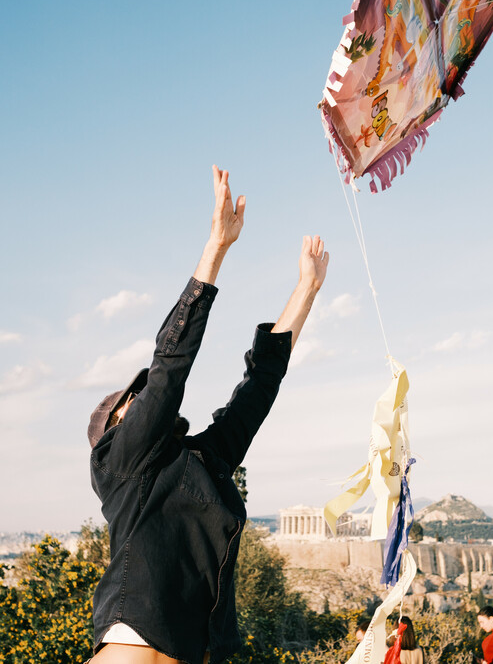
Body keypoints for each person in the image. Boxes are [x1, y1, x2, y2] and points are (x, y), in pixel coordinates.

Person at [85, 166, 329, 664]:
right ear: (115, 430)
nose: (142, 399)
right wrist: (216, 247)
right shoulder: (121, 463)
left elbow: (258, 388)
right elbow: (169, 369)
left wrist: (307, 290)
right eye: (131, 400)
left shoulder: (202, 463)